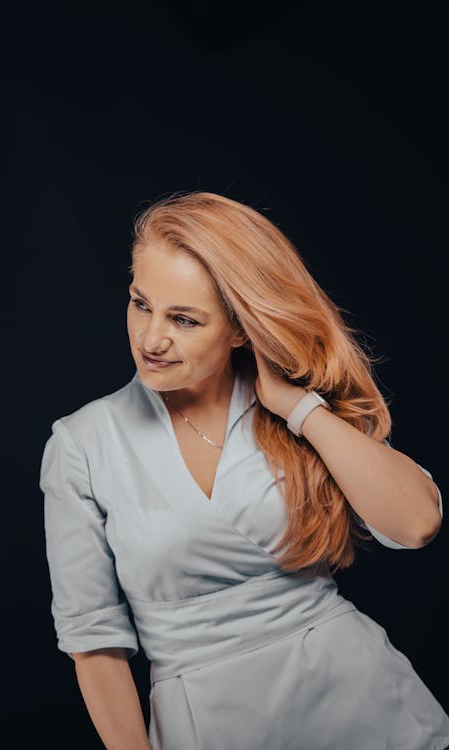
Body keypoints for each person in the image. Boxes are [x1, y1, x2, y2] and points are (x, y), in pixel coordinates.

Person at [39, 191, 449, 750]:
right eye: (141, 304)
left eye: (184, 319)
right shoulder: (82, 443)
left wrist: (301, 410)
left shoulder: (290, 411)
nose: (151, 339)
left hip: (366, 707)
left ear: (239, 329)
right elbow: (94, 643)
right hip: (207, 727)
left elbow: (417, 523)